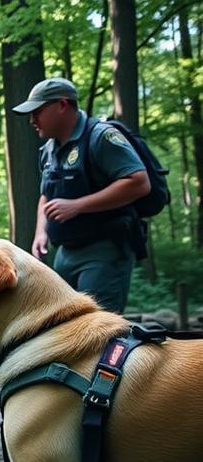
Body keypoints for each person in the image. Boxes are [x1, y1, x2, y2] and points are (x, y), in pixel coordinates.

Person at [13, 78, 150, 314]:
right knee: (64, 327)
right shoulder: (48, 150)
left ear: (62, 105)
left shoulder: (100, 137)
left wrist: (77, 206)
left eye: (38, 111)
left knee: (95, 331)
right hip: (64, 253)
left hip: (103, 251)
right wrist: (41, 232)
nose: (32, 120)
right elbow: (46, 195)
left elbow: (138, 182)